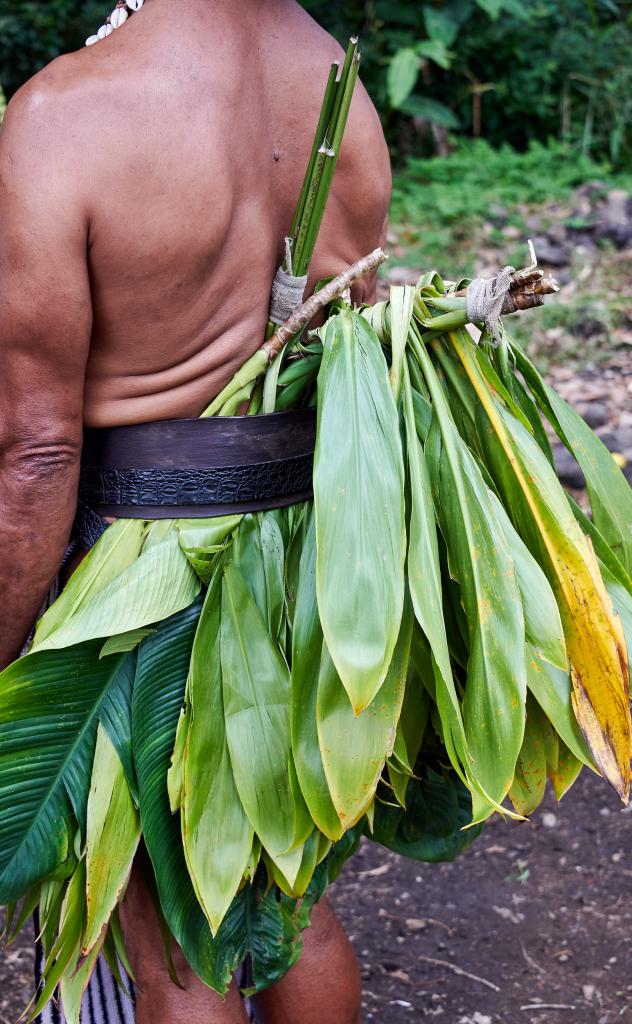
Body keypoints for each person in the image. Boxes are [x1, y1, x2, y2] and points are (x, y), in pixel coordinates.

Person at [0, 1, 391, 1022]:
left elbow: (38, 450)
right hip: (306, 561)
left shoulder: (64, 115)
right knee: (290, 902)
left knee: (173, 938)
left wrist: (10, 655)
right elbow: (353, 347)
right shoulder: (332, 82)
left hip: (141, 584)